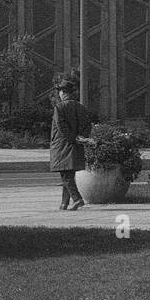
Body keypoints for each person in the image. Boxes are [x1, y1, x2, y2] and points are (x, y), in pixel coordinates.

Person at [50, 71, 93, 211]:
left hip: (63, 145)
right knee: (68, 174)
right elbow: (87, 125)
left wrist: (71, 138)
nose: (59, 94)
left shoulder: (59, 107)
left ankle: (77, 199)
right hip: (76, 145)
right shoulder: (80, 107)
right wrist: (80, 137)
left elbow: (61, 126)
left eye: (60, 91)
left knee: (65, 175)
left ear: (63, 92)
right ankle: (64, 203)